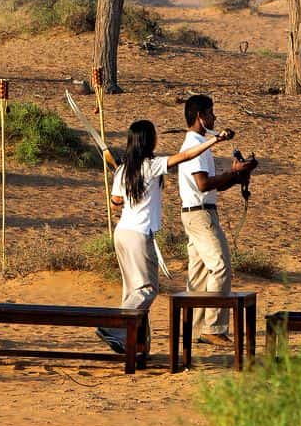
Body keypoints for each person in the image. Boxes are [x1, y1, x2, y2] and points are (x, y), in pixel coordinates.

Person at [97, 119, 228, 354]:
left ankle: (136, 345)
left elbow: (115, 203)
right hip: (138, 235)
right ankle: (114, 326)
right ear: (149, 140)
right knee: (147, 290)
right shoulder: (150, 166)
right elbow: (185, 156)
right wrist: (214, 141)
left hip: (122, 234)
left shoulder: (123, 170)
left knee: (133, 291)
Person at [172, 94, 258, 346]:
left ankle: (196, 328)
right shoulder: (195, 144)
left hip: (195, 213)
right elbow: (203, 184)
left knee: (198, 273)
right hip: (200, 214)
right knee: (220, 265)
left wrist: (238, 175)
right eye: (211, 112)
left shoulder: (198, 144)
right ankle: (213, 327)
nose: (214, 117)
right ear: (200, 117)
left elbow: (213, 186)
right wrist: (233, 173)